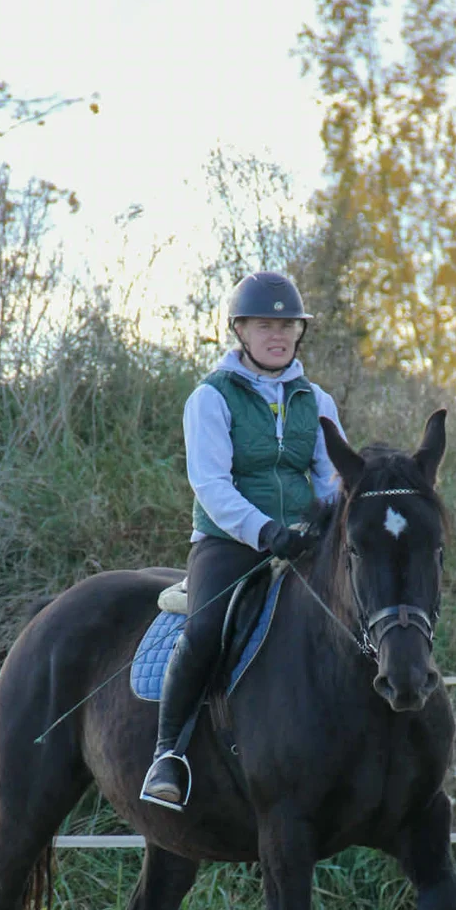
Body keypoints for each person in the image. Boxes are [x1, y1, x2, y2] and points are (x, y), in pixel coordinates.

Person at [140, 270, 346, 808]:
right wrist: (263, 530)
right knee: (206, 627)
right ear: (240, 330)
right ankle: (170, 754)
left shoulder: (317, 400)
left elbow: (331, 476)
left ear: (299, 333)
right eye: (263, 325)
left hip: (304, 541)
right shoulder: (211, 398)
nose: (276, 335)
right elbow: (210, 482)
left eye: (287, 325)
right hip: (228, 542)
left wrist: (323, 525)